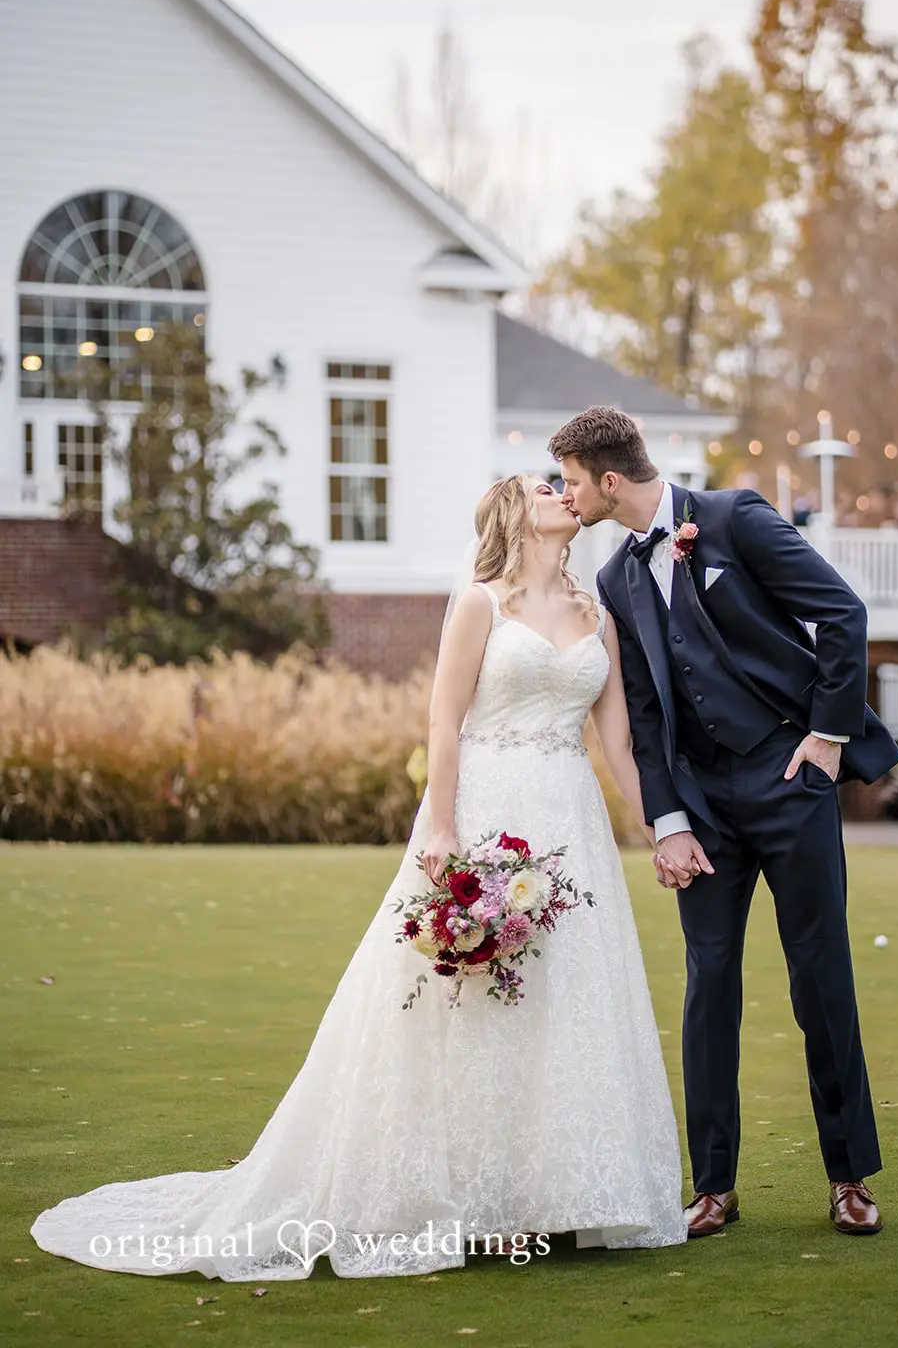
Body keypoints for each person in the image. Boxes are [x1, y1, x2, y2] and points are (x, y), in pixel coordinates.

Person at [31, 475, 687, 1280]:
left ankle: (555, 1194)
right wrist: (444, 828)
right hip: (487, 809)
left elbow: (617, 743)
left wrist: (663, 828)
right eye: (541, 486)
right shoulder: (481, 604)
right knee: (466, 999)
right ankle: (467, 1195)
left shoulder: (599, 617)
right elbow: (444, 720)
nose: (560, 492)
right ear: (515, 515)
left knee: (567, 996)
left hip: (571, 826)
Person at [552, 407, 898, 1240]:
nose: (566, 497)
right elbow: (641, 712)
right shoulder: (616, 582)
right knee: (710, 985)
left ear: (609, 479)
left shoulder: (733, 518)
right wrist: (666, 817)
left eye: (570, 481)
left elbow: (841, 614)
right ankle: (714, 1186)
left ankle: (848, 1176)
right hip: (703, 807)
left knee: (820, 975)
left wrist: (826, 734)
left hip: (790, 779)